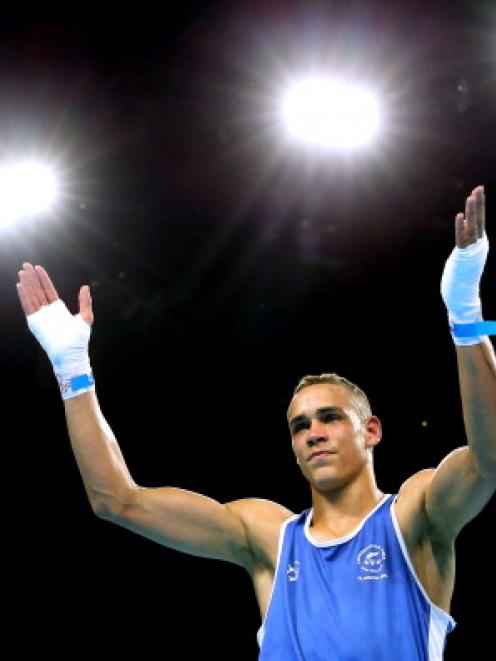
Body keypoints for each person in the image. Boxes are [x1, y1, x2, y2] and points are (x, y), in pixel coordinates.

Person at [16, 185, 495, 660]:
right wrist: (72, 371)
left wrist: (465, 316)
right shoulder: (266, 536)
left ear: (371, 431)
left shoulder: (415, 515)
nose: (313, 433)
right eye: (300, 426)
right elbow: (116, 501)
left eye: (330, 418)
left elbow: (489, 458)